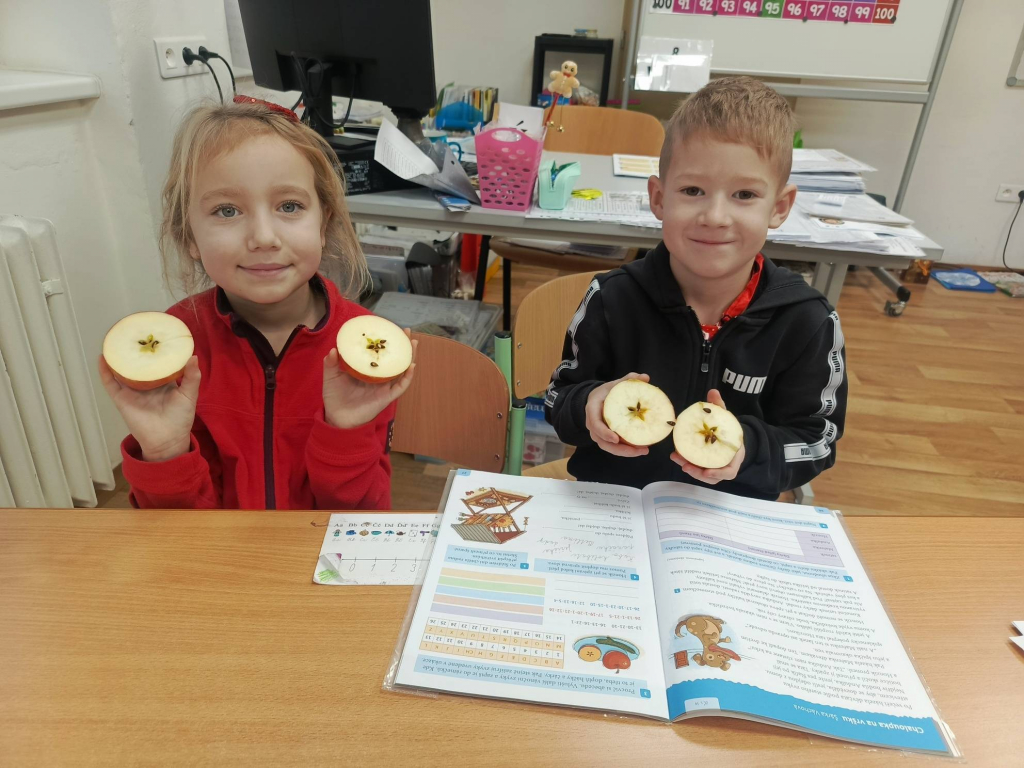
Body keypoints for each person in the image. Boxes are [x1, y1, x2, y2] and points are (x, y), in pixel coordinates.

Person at [100, 98, 416, 509]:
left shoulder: (363, 349)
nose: (264, 237)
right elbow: (177, 534)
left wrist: (344, 434)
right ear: (189, 236)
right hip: (219, 549)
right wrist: (164, 452)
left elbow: (362, 523)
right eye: (227, 210)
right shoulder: (177, 348)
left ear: (324, 223)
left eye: (290, 206)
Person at [545, 77, 846, 500]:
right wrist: (589, 404)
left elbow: (817, 440)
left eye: (744, 194)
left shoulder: (806, 321)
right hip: (612, 507)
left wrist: (748, 450)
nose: (715, 216)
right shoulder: (612, 299)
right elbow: (558, 398)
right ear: (658, 198)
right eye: (693, 191)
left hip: (729, 515)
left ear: (779, 208)